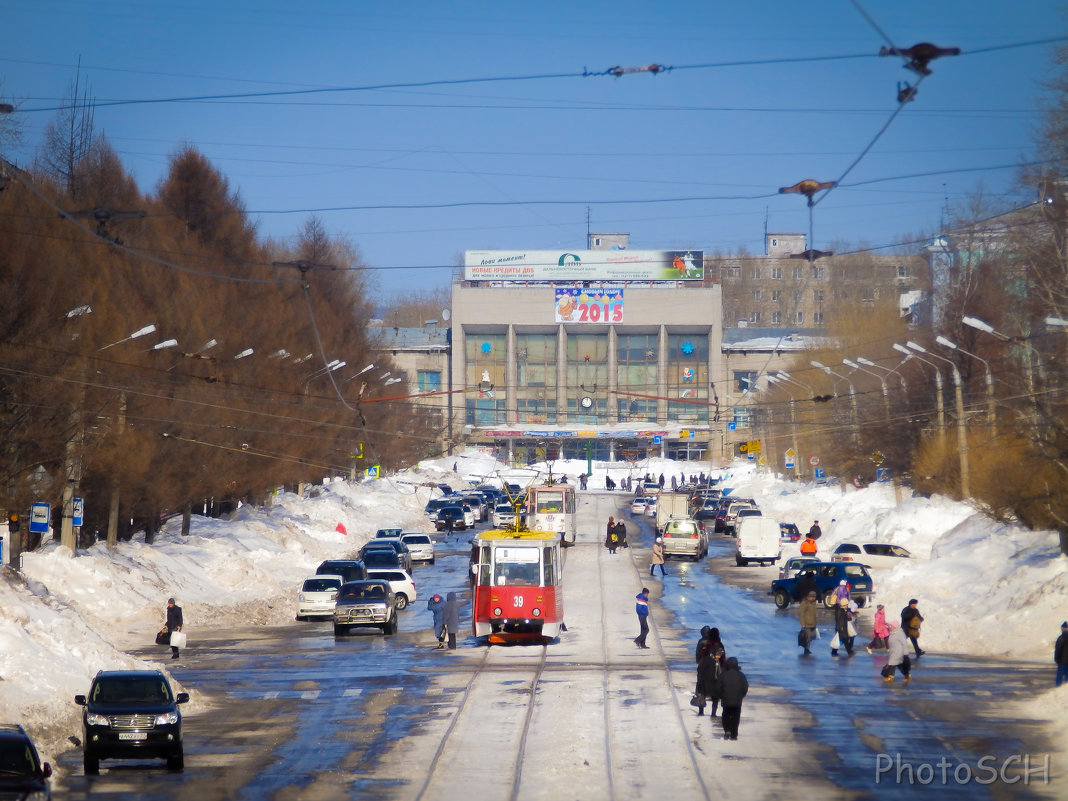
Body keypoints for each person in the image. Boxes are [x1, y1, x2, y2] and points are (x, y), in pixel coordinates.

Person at [719, 657, 749, 740]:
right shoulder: (741, 675)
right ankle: (734, 734)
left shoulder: (723, 675)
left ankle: (727, 730)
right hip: (737, 701)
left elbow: (718, 687)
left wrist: (721, 696)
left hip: (726, 699)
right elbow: (745, 687)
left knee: (726, 714)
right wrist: (741, 696)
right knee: (736, 716)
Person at [798, 590, 818, 655]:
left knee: (812, 636)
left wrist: (816, 622)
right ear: (808, 597)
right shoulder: (805, 603)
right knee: (807, 637)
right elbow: (801, 614)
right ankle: (806, 649)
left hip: (813, 623)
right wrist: (802, 623)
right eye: (811, 597)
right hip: (806, 624)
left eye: (814, 597)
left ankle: (807, 648)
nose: (813, 598)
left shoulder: (813, 603)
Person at [1055, 622, 1068, 686]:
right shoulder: (1060, 638)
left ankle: (1057, 690)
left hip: (1061, 661)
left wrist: (1056, 659)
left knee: (1059, 678)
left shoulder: (1060, 638)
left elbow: (1057, 650)